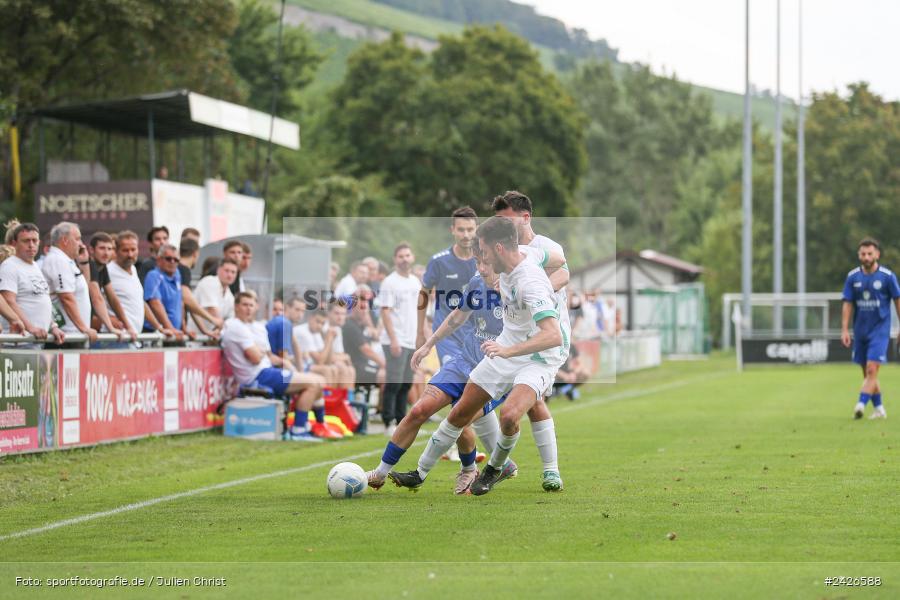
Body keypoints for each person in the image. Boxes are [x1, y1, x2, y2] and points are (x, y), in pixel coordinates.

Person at [374, 238, 567, 493]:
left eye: (485, 261)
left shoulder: (520, 285)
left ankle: (474, 469)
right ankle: (382, 473)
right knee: (421, 409)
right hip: (464, 360)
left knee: (466, 418)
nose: (481, 268)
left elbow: (560, 270)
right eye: (478, 261)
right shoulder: (476, 282)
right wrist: (427, 344)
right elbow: (456, 317)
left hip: (501, 367)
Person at [493, 190, 570, 491]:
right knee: (531, 400)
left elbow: (564, 273)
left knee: (524, 401)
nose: (501, 225)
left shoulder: (543, 246)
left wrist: (537, 291)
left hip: (545, 338)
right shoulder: (503, 250)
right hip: (514, 336)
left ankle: (504, 466)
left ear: (525, 218)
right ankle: (548, 470)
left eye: (506, 220)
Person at [221, 292, 333, 441]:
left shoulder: (256, 326)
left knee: (318, 380)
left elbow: (268, 355)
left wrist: (263, 353)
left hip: (268, 371)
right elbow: (256, 358)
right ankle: (299, 429)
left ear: (256, 307)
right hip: (257, 376)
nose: (248, 309)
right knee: (314, 383)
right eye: (244, 305)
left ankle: (317, 425)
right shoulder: (236, 326)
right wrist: (263, 354)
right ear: (236, 306)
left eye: (251, 305)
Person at [841, 238, 900, 420]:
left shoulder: (887, 277)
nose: (866, 257)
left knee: (872, 370)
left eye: (869, 253)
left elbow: (898, 301)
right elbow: (848, 303)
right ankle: (879, 408)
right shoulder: (852, 277)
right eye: (863, 254)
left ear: (877, 255)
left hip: (880, 331)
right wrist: (844, 329)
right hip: (860, 331)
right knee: (866, 372)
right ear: (859, 255)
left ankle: (860, 404)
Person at [378, 243, 422, 434]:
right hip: (395, 340)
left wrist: (423, 336)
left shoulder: (415, 282)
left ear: (412, 257)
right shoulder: (389, 282)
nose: (404, 259)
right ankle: (388, 422)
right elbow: (385, 312)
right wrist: (394, 339)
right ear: (395, 259)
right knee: (394, 382)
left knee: (406, 383)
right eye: (400, 256)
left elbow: (420, 311)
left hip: (411, 339)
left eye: (407, 255)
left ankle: (401, 421)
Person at [0, 223, 63, 343]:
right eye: (26, 241)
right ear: (14, 243)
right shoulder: (9, 266)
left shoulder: (35, 266)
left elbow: (41, 299)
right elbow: (8, 301)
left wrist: (53, 327)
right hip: (18, 341)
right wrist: (30, 328)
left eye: (34, 240)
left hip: (36, 339)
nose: (31, 245)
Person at [41, 222, 97, 343]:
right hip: (66, 336)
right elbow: (66, 297)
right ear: (65, 240)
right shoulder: (58, 260)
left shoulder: (66, 260)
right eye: (77, 239)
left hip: (74, 333)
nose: (81, 244)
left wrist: (83, 263)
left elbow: (82, 291)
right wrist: (84, 328)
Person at [106, 230, 160, 340]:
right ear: (116, 250)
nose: (130, 254)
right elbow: (95, 300)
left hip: (133, 337)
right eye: (125, 250)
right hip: (114, 338)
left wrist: (159, 327)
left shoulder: (134, 269)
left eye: (133, 249)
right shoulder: (107, 271)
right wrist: (107, 319)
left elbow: (140, 302)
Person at [86, 232, 131, 341]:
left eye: (110, 249)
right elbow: (97, 298)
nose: (106, 253)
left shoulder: (103, 267)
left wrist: (128, 326)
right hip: (73, 326)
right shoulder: (89, 264)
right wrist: (110, 327)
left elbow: (113, 298)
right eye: (102, 248)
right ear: (91, 250)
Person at [179, 238, 222, 339]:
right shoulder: (184, 270)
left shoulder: (182, 270)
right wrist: (212, 319)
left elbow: (191, 306)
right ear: (195, 253)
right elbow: (188, 300)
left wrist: (205, 330)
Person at [342, 285, 384, 389]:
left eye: (366, 304)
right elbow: (367, 350)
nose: (364, 308)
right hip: (356, 367)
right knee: (389, 376)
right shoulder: (349, 325)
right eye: (361, 304)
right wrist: (385, 365)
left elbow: (376, 337)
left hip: (367, 364)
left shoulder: (363, 325)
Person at [143, 244, 184, 341]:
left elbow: (180, 304)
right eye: (168, 259)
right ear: (159, 260)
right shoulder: (153, 275)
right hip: (156, 333)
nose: (172, 262)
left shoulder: (177, 275)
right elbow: (155, 303)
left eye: (176, 260)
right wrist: (170, 328)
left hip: (174, 333)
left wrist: (184, 329)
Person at [189, 257, 237, 336]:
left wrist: (219, 330)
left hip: (211, 337)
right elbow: (212, 310)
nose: (229, 275)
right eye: (226, 271)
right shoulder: (209, 281)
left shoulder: (230, 296)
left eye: (233, 272)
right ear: (218, 270)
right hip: (194, 336)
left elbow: (230, 319)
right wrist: (221, 327)